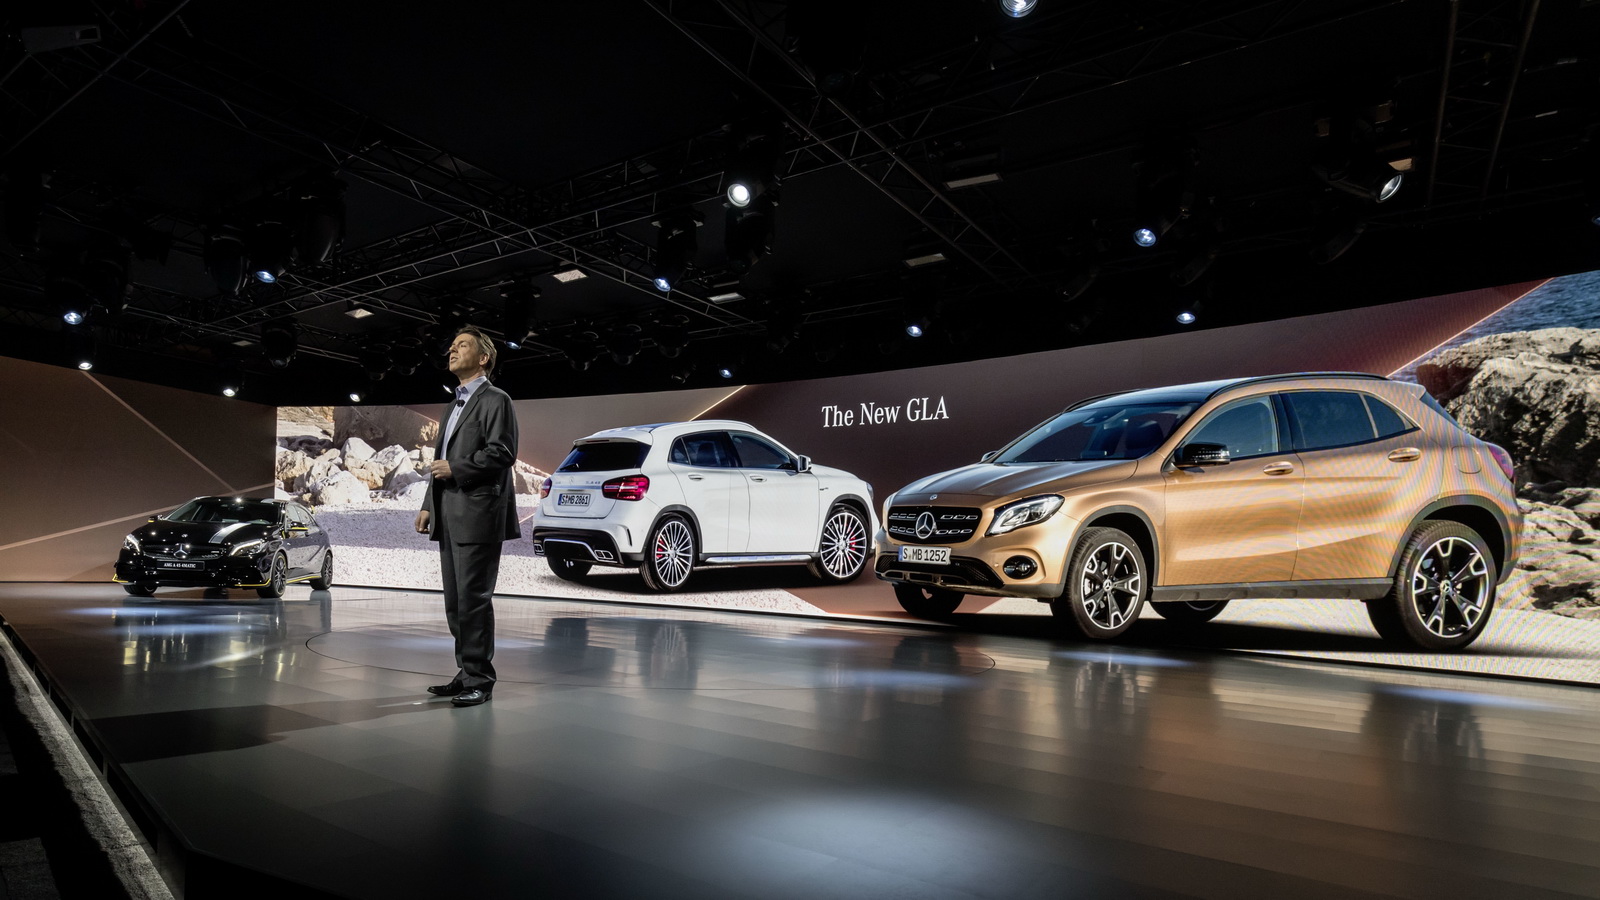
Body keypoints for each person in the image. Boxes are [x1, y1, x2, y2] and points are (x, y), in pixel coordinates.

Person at [413, 327, 521, 707]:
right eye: (452, 345)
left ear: (483, 358)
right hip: (449, 512)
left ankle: (480, 680)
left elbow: (502, 452)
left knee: (473, 601)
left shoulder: (496, 399)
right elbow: (439, 461)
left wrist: (456, 468)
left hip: (478, 514)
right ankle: (466, 672)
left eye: (462, 345)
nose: (452, 350)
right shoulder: (452, 405)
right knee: (456, 603)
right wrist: (428, 504)